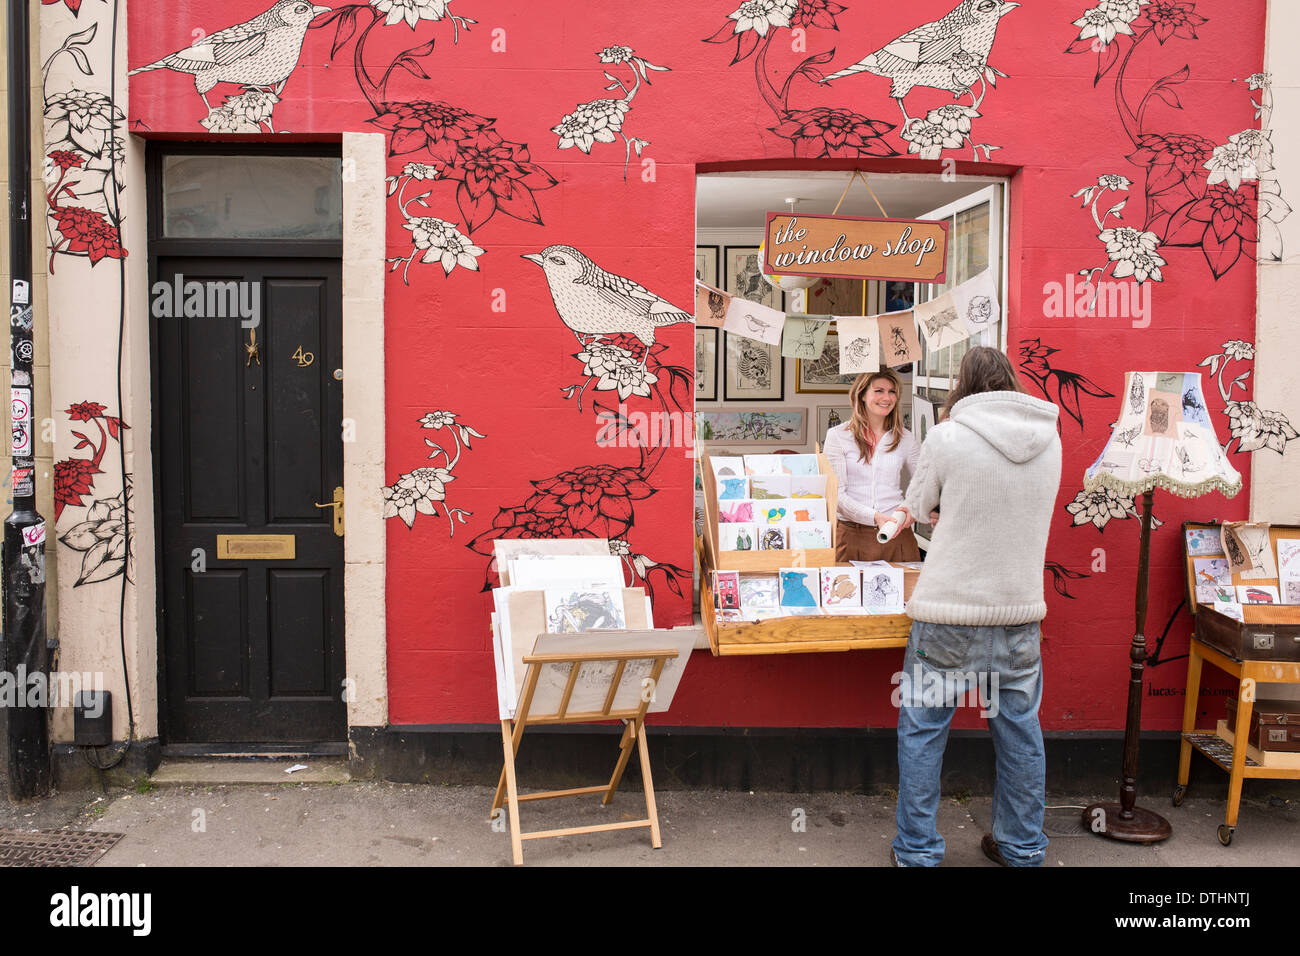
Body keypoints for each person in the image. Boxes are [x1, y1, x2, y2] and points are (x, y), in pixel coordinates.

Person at [891, 346, 1062, 868]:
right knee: (1020, 733)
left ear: (963, 384)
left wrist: (950, 500)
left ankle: (919, 851)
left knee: (923, 731)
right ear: (1010, 381)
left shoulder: (947, 435)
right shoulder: (1049, 436)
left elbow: (919, 507)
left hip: (948, 610)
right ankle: (1023, 845)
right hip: (1018, 612)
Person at [823, 369, 920, 563]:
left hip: (897, 535)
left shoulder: (906, 438)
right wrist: (874, 517)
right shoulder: (838, 436)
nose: (887, 397)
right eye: (879, 391)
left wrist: (911, 508)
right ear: (862, 394)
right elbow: (836, 494)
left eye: (892, 392)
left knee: (908, 593)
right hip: (852, 537)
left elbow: (924, 483)